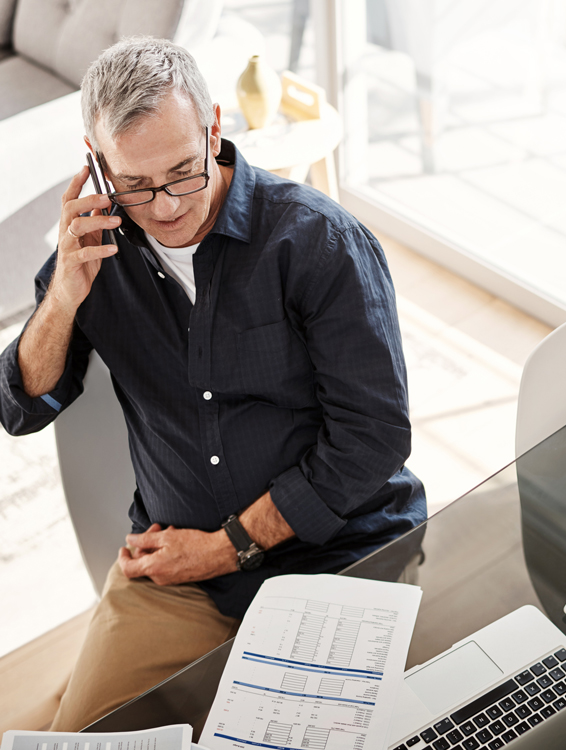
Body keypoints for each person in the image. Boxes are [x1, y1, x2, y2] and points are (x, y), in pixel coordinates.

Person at [0, 37, 426, 730]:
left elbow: (374, 439)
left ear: (214, 128)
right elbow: (20, 407)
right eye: (136, 184)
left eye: (183, 171)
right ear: (96, 163)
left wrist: (227, 546)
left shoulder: (319, 242)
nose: (165, 207)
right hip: (175, 575)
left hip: (338, 553)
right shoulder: (91, 255)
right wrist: (62, 299)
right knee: (74, 737)